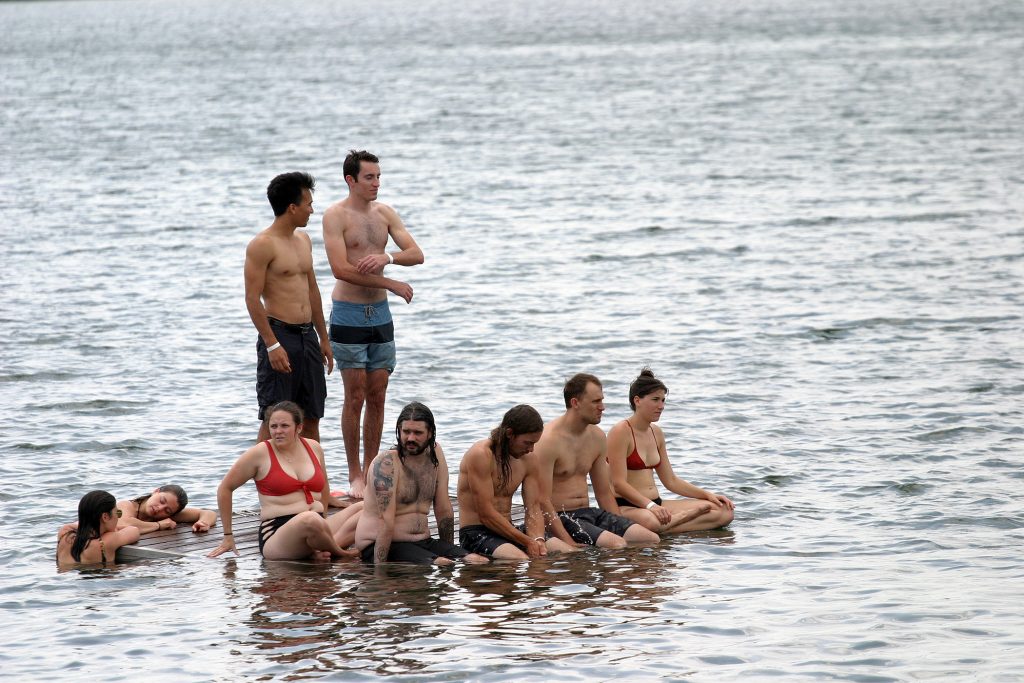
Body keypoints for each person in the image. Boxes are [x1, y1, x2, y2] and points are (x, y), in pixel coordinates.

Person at [322, 150, 424, 498]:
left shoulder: (385, 213)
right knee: (355, 396)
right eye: (369, 177)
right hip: (349, 312)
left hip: (379, 316)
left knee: (378, 394)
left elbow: (416, 253)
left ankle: (371, 469)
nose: (376, 183)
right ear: (351, 180)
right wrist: (390, 283)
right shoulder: (335, 216)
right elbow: (341, 269)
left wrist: (388, 257)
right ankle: (354, 476)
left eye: (378, 177)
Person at [208, 401, 360, 561]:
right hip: (277, 534)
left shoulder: (314, 447)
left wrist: (324, 517)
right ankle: (340, 553)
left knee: (365, 507)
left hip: (316, 524)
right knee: (309, 519)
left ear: (299, 428)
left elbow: (324, 487)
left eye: (284, 426)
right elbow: (225, 488)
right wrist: (228, 536)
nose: (278, 431)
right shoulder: (259, 453)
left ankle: (321, 547)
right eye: (273, 426)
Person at [245, 171, 333, 445]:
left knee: (312, 415)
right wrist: (272, 345)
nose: (311, 209)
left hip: (308, 337)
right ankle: (264, 485)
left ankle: (314, 484)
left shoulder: (303, 240)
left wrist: (323, 338)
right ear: (292, 207)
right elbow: (251, 298)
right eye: (308, 203)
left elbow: (312, 290)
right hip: (280, 335)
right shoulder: (262, 245)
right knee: (275, 417)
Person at [534, 373, 661, 548]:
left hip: (588, 512)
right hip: (560, 516)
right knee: (617, 544)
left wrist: (621, 524)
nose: (602, 407)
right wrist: (568, 542)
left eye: (602, 400)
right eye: (596, 402)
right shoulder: (548, 441)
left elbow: (603, 493)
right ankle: (608, 574)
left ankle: (630, 575)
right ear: (575, 403)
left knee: (649, 538)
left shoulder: (597, 437)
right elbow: (542, 500)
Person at [355, 402, 488, 565]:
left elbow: (444, 509)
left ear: (430, 433)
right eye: (406, 432)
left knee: (477, 560)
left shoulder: (435, 454)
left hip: (422, 541)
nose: (410, 438)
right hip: (380, 543)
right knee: (442, 563)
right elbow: (386, 521)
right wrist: (379, 570)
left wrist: (448, 548)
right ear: (398, 430)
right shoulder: (386, 464)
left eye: (418, 433)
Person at [607, 368, 734, 532]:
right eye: (655, 400)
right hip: (628, 507)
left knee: (724, 511)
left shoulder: (656, 433)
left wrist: (707, 495)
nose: (661, 406)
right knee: (651, 522)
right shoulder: (620, 432)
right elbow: (619, 484)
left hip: (657, 503)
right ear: (637, 400)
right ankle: (676, 521)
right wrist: (650, 506)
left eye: (663, 400)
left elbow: (671, 481)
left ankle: (668, 526)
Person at [457, 405, 575, 560]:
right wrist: (527, 541)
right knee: (521, 560)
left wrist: (538, 539)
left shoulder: (529, 460)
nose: (531, 449)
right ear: (509, 434)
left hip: (510, 530)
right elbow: (486, 514)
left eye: (534, 443)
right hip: (476, 531)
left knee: (570, 554)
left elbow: (533, 507)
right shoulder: (481, 455)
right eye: (527, 443)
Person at [57, 490, 140, 566]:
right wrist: (114, 530)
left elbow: (77, 525)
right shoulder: (105, 543)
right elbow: (134, 531)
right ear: (105, 517)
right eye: (117, 513)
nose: (118, 517)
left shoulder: (64, 535)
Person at [116, 485, 218, 534]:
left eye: (167, 510)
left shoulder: (167, 516)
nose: (160, 508)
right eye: (162, 500)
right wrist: (159, 525)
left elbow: (209, 513)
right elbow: (123, 523)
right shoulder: (126, 505)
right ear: (156, 491)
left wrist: (203, 523)